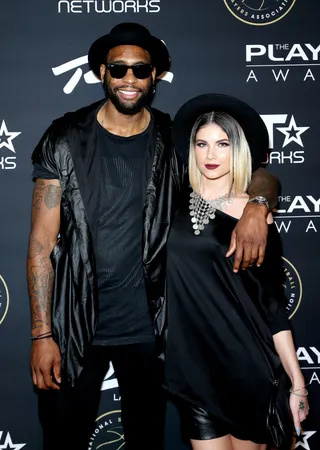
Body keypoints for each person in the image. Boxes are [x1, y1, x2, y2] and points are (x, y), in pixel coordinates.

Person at [27, 23, 280, 450]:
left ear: (155, 76)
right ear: (102, 73)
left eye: (140, 70)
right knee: (62, 440)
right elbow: (39, 247)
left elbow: (259, 172)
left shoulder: (176, 140)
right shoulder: (64, 138)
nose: (129, 80)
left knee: (148, 441)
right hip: (75, 327)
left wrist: (257, 204)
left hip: (155, 332)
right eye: (119, 69)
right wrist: (41, 336)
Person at [163, 93, 309, 450]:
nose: (211, 155)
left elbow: (272, 306)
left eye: (222, 144)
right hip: (195, 369)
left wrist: (297, 381)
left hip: (250, 367)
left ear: (237, 149)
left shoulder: (257, 214)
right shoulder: (171, 200)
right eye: (202, 144)